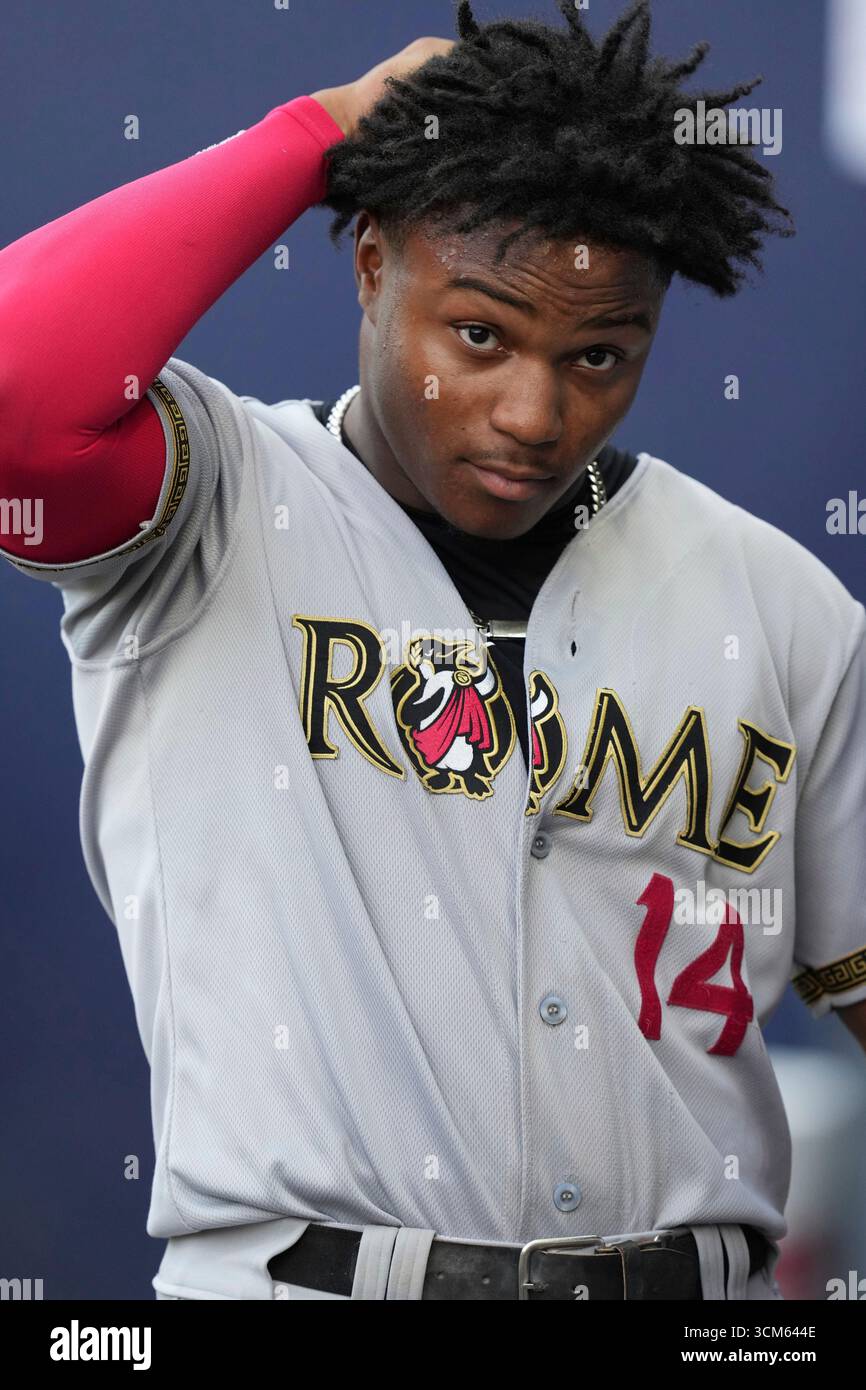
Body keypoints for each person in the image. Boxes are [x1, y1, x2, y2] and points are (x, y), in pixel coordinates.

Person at [1, 0, 864, 1302]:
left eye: (596, 354)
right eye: (479, 334)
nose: (532, 409)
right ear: (367, 264)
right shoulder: (209, 503)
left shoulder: (775, 602)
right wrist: (327, 129)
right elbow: (18, 396)